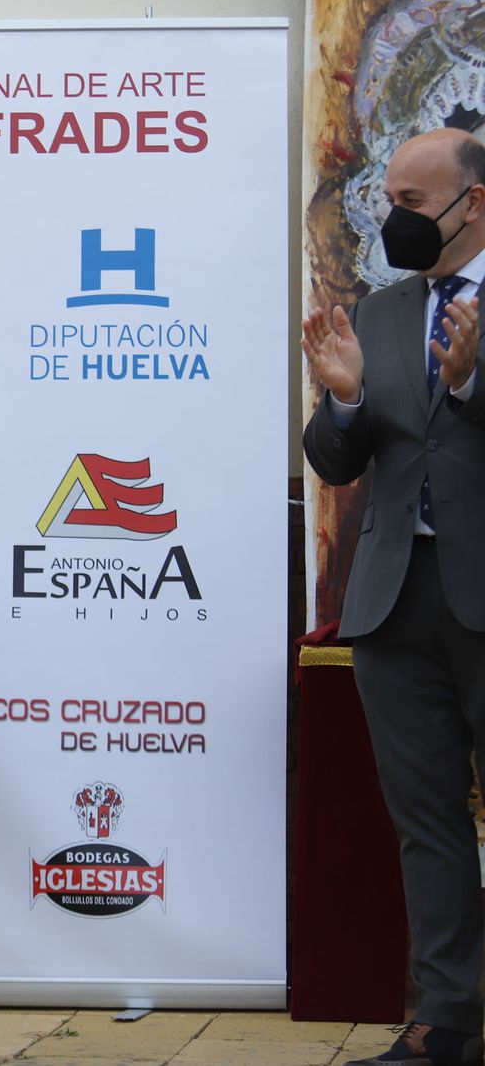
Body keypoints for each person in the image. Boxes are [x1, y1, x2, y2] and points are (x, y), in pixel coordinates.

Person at [303, 127, 485, 1066]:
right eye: (390, 202)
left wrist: (471, 382)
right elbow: (341, 458)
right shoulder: (377, 312)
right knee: (427, 821)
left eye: (412, 205)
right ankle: (446, 1020)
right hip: (392, 601)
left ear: (474, 204)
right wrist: (338, 404)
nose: (393, 220)